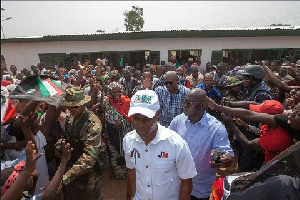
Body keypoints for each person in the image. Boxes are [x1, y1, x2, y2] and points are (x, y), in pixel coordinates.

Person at [123, 89, 197, 200]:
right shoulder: (128, 141)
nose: (140, 124)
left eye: (146, 119)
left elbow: (186, 181)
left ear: (157, 114)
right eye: (136, 118)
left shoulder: (176, 144)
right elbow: (132, 172)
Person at [169, 88, 234, 200]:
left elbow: (226, 155)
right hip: (176, 184)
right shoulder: (177, 121)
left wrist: (222, 159)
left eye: (190, 103)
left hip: (199, 188)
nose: (185, 105)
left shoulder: (216, 128)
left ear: (203, 104)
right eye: (184, 102)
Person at [56, 86, 103, 200]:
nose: (71, 109)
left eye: (75, 106)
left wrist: (65, 178)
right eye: (69, 106)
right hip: (74, 165)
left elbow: (89, 158)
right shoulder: (70, 117)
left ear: (83, 104)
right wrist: (60, 145)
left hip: (91, 171)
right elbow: (66, 135)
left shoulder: (93, 124)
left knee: (91, 195)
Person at [220, 100, 294, 163]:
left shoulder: (278, 137)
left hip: (276, 167)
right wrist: (246, 125)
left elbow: (248, 145)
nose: (257, 114)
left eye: (259, 113)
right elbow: (261, 132)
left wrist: (232, 124)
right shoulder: (272, 124)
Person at [91, 82, 134, 179]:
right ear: (110, 93)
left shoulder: (127, 101)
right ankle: (117, 172)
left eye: (119, 92)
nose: (117, 94)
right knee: (113, 152)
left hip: (124, 133)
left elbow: (133, 118)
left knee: (126, 152)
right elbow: (98, 107)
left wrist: (122, 123)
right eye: (114, 92)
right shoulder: (107, 101)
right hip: (111, 133)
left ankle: (128, 171)